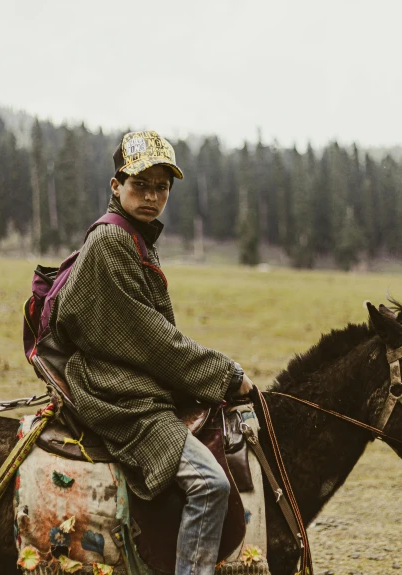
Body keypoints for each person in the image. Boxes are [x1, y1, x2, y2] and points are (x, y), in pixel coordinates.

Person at [49, 130, 253, 575]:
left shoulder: (135, 238)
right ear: (115, 185)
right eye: (141, 184)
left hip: (128, 379)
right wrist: (224, 375)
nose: (152, 195)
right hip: (118, 393)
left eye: (161, 187)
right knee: (211, 484)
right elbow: (149, 338)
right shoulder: (111, 242)